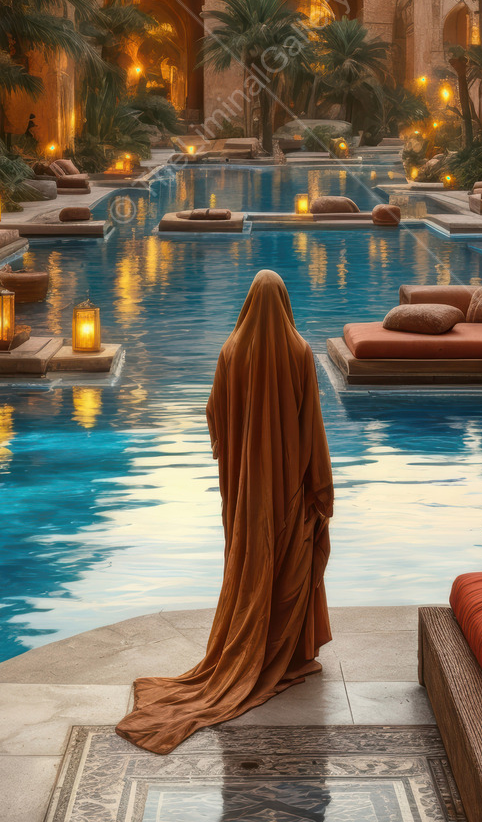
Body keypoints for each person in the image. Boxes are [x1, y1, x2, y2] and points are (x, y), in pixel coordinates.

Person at [116, 269, 334, 753]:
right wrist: (319, 486)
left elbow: (214, 414)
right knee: (289, 564)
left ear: (249, 303)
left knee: (248, 562)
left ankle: (255, 649)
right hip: (288, 488)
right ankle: (286, 656)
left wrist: (238, 454)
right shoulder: (300, 351)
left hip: (244, 491)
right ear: (284, 302)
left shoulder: (231, 350)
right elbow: (312, 424)